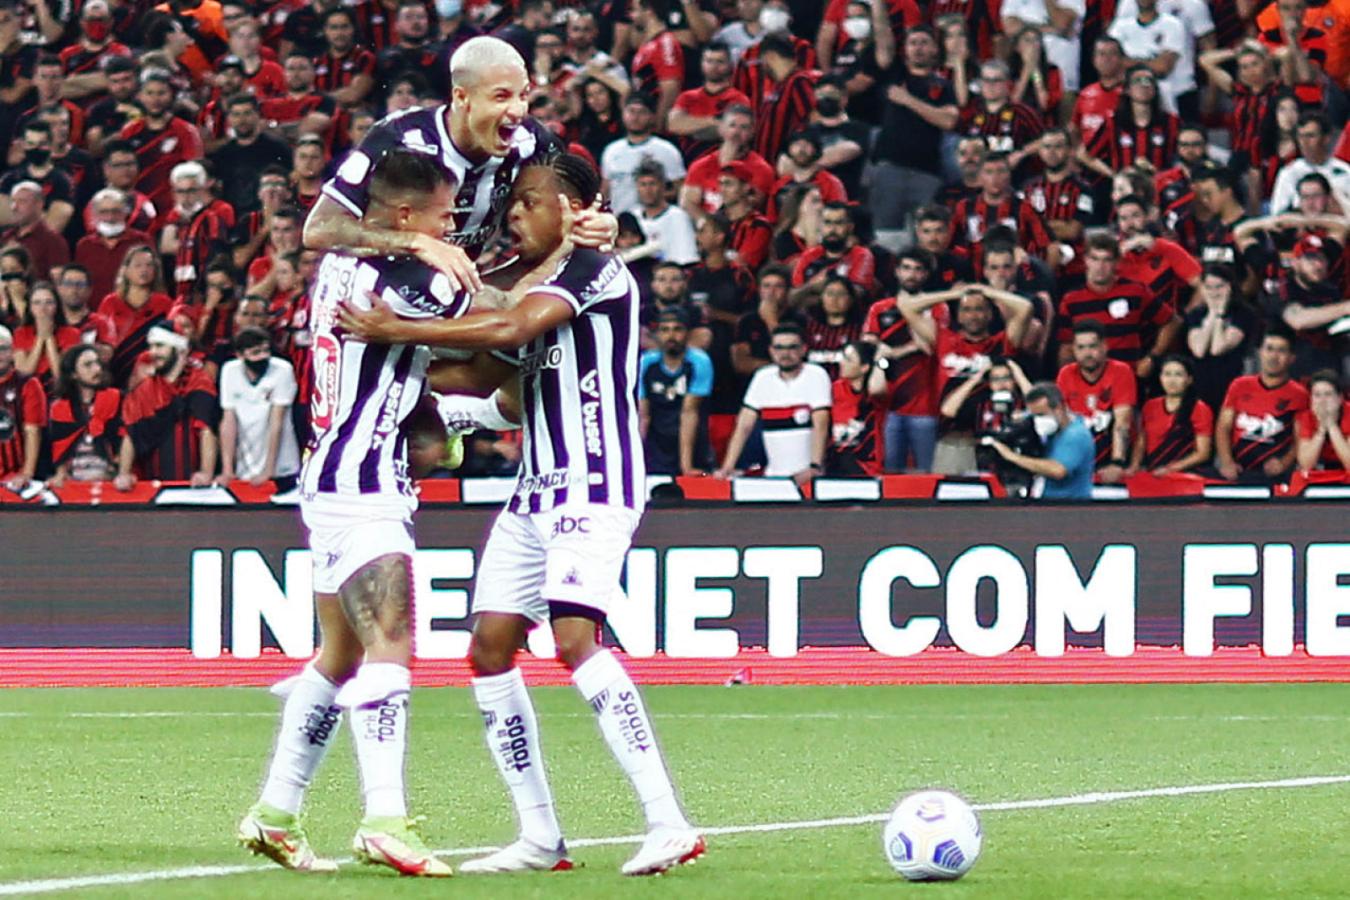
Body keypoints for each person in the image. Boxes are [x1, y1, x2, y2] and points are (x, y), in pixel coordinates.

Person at [338, 152, 705, 877]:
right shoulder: (529, 281)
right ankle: (541, 836)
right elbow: (489, 373)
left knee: (574, 638)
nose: (515, 215)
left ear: (576, 208)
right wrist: (385, 370)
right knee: (489, 650)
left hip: (595, 481)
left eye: (530, 202)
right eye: (511, 206)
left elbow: (509, 332)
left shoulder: (596, 271)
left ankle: (670, 822)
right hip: (534, 489)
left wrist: (394, 332)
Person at [239, 150, 465, 877]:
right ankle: (385, 818)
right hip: (362, 483)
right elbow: (493, 319)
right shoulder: (407, 281)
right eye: (443, 215)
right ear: (405, 218)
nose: (451, 227)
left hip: (338, 470)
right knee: (391, 644)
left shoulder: (341, 265)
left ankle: (275, 811)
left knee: (338, 655)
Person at [304, 36, 616, 292]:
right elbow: (318, 230)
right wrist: (415, 243)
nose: (517, 110)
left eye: (523, 95)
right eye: (501, 97)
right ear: (462, 97)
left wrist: (600, 223)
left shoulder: (531, 142)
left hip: (457, 296)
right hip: (380, 294)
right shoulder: (400, 138)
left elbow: (580, 211)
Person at [718, 322, 830, 482]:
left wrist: (815, 466)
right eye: (779, 348)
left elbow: (821, 425)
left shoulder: (816, 375)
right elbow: (743, 426)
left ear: (803, 349)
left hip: (808, 477)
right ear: (771, 351)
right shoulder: (762, 377)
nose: (785, 353)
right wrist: (727, 467)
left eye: (792, 347)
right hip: (773, 476)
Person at [117, 320, 219, 486]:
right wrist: (124, 473)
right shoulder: (143, 390)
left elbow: (206, 430)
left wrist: (206, 472)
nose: (153, 352)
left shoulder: (199, 383)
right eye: (151, 346)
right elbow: (130, 434)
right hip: (150, 487)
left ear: (179, 349)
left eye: (160, 346)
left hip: (192, 485)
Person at [1212, 326, 1309, 483]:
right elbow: (1223, 427)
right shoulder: (1239, 385)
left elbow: (1302, 438)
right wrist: (1227, 462)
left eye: (1281, 351)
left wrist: (1284, 463)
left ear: (1292, 358)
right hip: (1238, 471)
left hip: (1275, 475)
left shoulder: (1299, 394)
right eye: (1269, 349)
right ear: (1260, 352)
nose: (1273, 356)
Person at [215, 326, 300, 490]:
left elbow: (277, 422)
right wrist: (227, 469)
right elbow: (228, 420)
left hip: (282, 465)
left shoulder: (282, 370)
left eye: (266, 350)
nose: (263, 356)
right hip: (246, 464)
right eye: (255, 353)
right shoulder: (229, 371)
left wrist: (268, 470)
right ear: (240, 355)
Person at [1056, 320, 1137, 483]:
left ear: (1105, 346)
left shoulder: (1121, 371)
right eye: (1081, 348)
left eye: (1092, 346)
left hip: (1110, 454)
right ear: (1073, 350)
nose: (1087, 353)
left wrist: (1117, 463)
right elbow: (1061, 421)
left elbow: (1123, 423)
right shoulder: (1066, 374)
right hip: (1078, 455)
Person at [985, 381, 1095, 499]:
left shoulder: (1076, 434)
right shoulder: (1053, 430)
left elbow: (1057, 470)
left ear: (1059, 408)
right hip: (1047, 500)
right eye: (1034, 415)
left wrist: (1012, 456)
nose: (1038, 420)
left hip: (1070, 504)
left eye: (1041, 415)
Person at [639, 307, 713, 475]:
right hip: (655, 442)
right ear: (657, 334)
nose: (671, 336)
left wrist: (685, 466)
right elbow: (643, 415)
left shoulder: (699, 362)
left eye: (677, 329)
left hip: (693, 442)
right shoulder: (646, 363)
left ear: (688, 333)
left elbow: (689, 413)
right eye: (665, 330)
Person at [46, 344, 122, 487]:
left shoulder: (116, 398)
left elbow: (124, 440)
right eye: (88, 365)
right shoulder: (60, 408)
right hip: (74, 480)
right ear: (73, 374)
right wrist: (60, 475)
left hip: (111, 478)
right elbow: (60, 447)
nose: (97, 369)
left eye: (97, 363)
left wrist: (122, 471)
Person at [1126, 354, 1213, 475]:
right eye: (1167, 374)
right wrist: (1134, 466)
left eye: (1178, 375)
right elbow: (1142, 440)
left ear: (1189, 379)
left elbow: (1202, 453)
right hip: (1153, 472)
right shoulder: (1150, 405)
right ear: (1160, 377)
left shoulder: (1200, 409)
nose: (1172, 380)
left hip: (1185, 474)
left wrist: (1170, 469)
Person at [827, 339, 887, 475]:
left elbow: (877, 390)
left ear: (864, 367)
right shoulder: (835, 389)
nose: (842, 363)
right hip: (837, 462)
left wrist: (880, 360)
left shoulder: (875, 391)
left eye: (848, 360)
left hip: (867, 465)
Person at [0, 323, 46, 491]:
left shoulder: (27, 384)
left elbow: (33, 431)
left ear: (12, 352)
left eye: (3, 349)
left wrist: (27, 473)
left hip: (15, 476)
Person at [1295, 369, 1350, 472]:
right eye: (1317, 395)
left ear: (1340, 398)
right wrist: (1321, 429)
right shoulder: (1307, 417)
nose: (1322, 401)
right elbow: (1305, 464)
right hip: (1322, 470)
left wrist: (1332, 426)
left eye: (1328, 394)